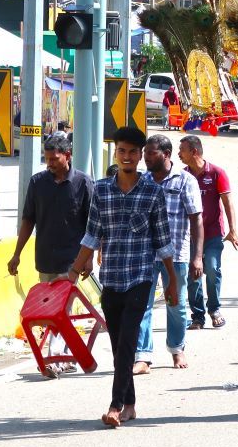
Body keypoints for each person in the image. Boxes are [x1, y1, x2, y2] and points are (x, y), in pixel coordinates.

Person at [66, 126, 175, 428]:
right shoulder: (101, 190)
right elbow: (92, 235)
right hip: (111, 278)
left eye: (132, 152)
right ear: (116, 153)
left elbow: (163, 240)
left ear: (141, 155)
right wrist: (74, 272)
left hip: (141, 276)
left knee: (127, 341)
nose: (127, 157)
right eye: (121, 151)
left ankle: (115, 405)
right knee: (118, 346)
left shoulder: (153, 192)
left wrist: (173, 281)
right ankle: (130, 403)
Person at [8, 134, 94, 378]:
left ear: (67, 156)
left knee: (59, 310)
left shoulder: (83, 183)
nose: (50, 163)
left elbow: (93, 224)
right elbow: (28, 220)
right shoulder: (37, 183)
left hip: (73, 260)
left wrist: (89, 257)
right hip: (45, 257)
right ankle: (65, 356)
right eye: (47, 159)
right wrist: (17, 254)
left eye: (54, 159)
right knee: (51, 314)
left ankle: (54, 359)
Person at [134, 134, 202, 373]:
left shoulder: (185, 181)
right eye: (145, 153)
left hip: (176, 255)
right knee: (142, 304)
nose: (146, 158)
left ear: (166, 154)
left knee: (176, 303)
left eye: (151, 153)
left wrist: (197, 257)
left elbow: (196, 220)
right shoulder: (142, 181)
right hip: (145, 254)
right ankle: (143, 356)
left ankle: (176, 348)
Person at [178, 135, 238, 330]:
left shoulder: (216, 173)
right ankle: (198, 316)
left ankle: (214, 310)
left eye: (182, 150)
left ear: (194, 152)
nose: (179, 154)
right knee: (193, 275)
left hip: (213, 233)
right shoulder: (182, 176)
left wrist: (232, 229)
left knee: (213, 270)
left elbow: (227, 202)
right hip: (189, 236)